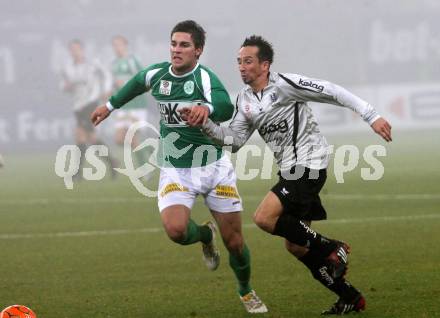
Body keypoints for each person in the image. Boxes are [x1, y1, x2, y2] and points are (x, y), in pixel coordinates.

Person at [182, 35, 392, 315]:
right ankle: (350, 296)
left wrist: (371, 115)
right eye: (239, 62)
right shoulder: (244, 100)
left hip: (310, 163)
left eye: (248, 61)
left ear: (265, 65)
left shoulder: (285, 85)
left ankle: (334, 246)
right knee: (296, 246)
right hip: (291, 170)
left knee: (263, 218)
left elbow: (329, 90)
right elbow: (234, 141)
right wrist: (204, 123)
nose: (241, 67)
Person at [91, 21, 267, 314]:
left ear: (198, 50)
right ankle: (205, 236)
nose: (176, 50)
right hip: (176, 168)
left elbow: (225, 105)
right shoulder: (158, 74)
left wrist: (205, 109)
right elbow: (136, 83)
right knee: (175, 230)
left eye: (184, 45)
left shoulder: (204, 78)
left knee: (235, 242)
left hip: (213, 167)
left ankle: (245, 290)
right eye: (174, 43)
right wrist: (109, 106)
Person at [61, 39, 117, 179]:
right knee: (90, 137)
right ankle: (112, 162)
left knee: (80, 135)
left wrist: (106, 90)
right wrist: (66, 87)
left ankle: (77, 173)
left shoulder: (92, 64)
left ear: (82, 50)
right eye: (72, 49)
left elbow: (107, 75)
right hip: (78, 106)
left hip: (91, 103)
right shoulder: (68, 67)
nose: (75, 52)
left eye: (77, 49)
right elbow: (63, 85)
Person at [110, 35, 152, 176]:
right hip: (124, 106)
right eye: (114, 45)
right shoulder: (114, 64)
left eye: (119, 44)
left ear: (125, 45)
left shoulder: (133, 61)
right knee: (119, 139)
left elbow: (143, 80)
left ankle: (144, 171)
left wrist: (127, 84)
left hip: (137, 105)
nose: (117, 48)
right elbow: (117, 85)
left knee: (133, 138)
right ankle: (147, 150)